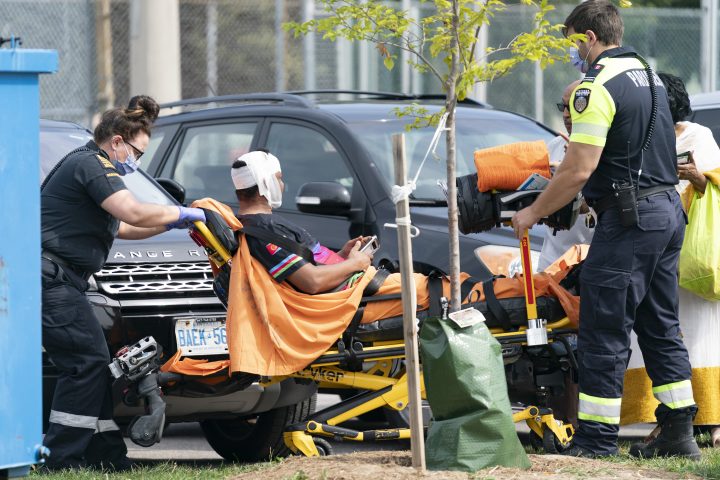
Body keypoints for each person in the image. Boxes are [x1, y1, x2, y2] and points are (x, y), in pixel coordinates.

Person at [511, 0, 700, 459]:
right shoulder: (650, 77)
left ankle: (595, 442)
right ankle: (679, 432)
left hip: (630, 220)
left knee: (603, 329)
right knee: (659, 325)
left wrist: (532, 212)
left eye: (571, 42)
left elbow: (579, 167)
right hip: (665, 212)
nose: (571, 53)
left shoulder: (595, 88)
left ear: (588, 38)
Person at [40, 95, 206, 471]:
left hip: (65, 282)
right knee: (86, 363)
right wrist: (182, 211)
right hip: (51, 281)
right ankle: (59, 460)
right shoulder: (92, 164)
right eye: (136, 152)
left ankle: (106, 455)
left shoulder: (91, 166)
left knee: (95, 364)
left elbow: (126, 228)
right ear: (116, 141)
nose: (137, 161)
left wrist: (172, 223)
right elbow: (131, 210)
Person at [621, 72, 720, 446]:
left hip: (693, 252)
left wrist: (696, 176)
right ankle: (668, 418)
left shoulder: (699, 136)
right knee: (661, 333)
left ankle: (712, 419)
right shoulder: (644, 136)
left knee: (701, 336)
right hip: (656, 251)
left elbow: (715, 181)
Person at [537, 79, 594, 273]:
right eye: (563, 106)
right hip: (552, 264)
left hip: (592, 263)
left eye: (573, 107)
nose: (566, 115)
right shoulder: (552, 148)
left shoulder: (607, 152)